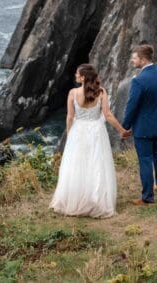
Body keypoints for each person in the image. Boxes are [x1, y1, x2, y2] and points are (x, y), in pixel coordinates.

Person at [49, 63, 125, 217]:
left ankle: (75, 200)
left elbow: (70, 117)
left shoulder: (73, 93)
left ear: (83, 77)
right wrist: (121, 130)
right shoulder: (101, 92)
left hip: (79, 131)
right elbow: (108, 115)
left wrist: (70, 133)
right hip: (97, 131)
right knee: (96, 164)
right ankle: (96, 200)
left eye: (77, 73)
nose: (75, 75)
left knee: (77, 165)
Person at [120, 43, 157, 205]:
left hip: (143, 126)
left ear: (142, 60)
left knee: (145, 159)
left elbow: (131, 106)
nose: (132, 61)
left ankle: (147, 197)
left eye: (134, 58)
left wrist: (125, 126)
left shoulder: (139, 81)